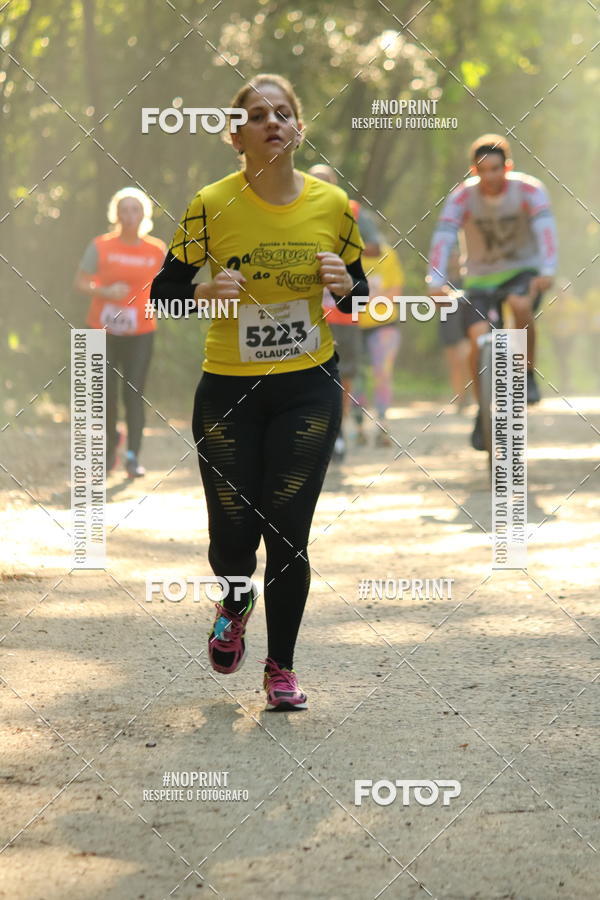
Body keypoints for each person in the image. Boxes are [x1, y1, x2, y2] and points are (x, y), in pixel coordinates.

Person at [151, 74, 368, 710]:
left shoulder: (333, 205)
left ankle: (281, 669)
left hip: (308, 387)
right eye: (257, 114)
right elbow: (163, 293)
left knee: (288, 530)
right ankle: (234, 601)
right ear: (237, 135)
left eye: (284, 113)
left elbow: (360, 298)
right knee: (232, 535)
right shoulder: (210, 204)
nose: (273, 121)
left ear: (299, 129)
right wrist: (202, 292)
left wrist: (343, 284)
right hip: (229, 392)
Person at [426, 134, 558, 449]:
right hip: (480, 278)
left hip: (521, 269)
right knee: (477, 337)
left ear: (507, 167)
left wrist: (548, 270)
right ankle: (482, 407)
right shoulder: (462, 197)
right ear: (474, 170)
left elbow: (546, 232)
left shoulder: (529, 191)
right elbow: (444, 236)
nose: (490, 176)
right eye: (483, 170)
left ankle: (527, 374)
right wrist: (435, 280)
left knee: (519, 304)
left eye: (496, 169)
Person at [74, 187, 166, 477]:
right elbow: (80, 282)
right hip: (101, 329)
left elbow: (168, 287)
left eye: (134, 209)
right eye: (123, 210)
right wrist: (104, 291)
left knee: (133, 393)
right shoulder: (100, 246)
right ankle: (110, 446)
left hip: (140, 332)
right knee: (104, 393)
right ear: (116, 214)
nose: (129, 215)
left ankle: (133, 457)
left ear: (143, 214)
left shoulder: (156, 249)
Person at [308, 164, 382, 461]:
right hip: (306, 308)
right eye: (315, 182)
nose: (321, 188)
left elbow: (375, 247)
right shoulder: (292, 209)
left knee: (344, 372)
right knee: (309, 370)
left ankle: (337, 428)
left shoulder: (353, 211)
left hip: (343, 306)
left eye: (326, 182)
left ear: (336, 185)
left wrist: (343, 250)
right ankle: (315, 429)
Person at [354, 242, 404, 446]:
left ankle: (382, 424)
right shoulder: (348, 254)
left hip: (384, 323)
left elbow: (396, 292)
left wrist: (366, 298)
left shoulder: (388, 254)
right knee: (355, 375)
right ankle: (358, 426)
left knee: (382, 373)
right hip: (352, 325)